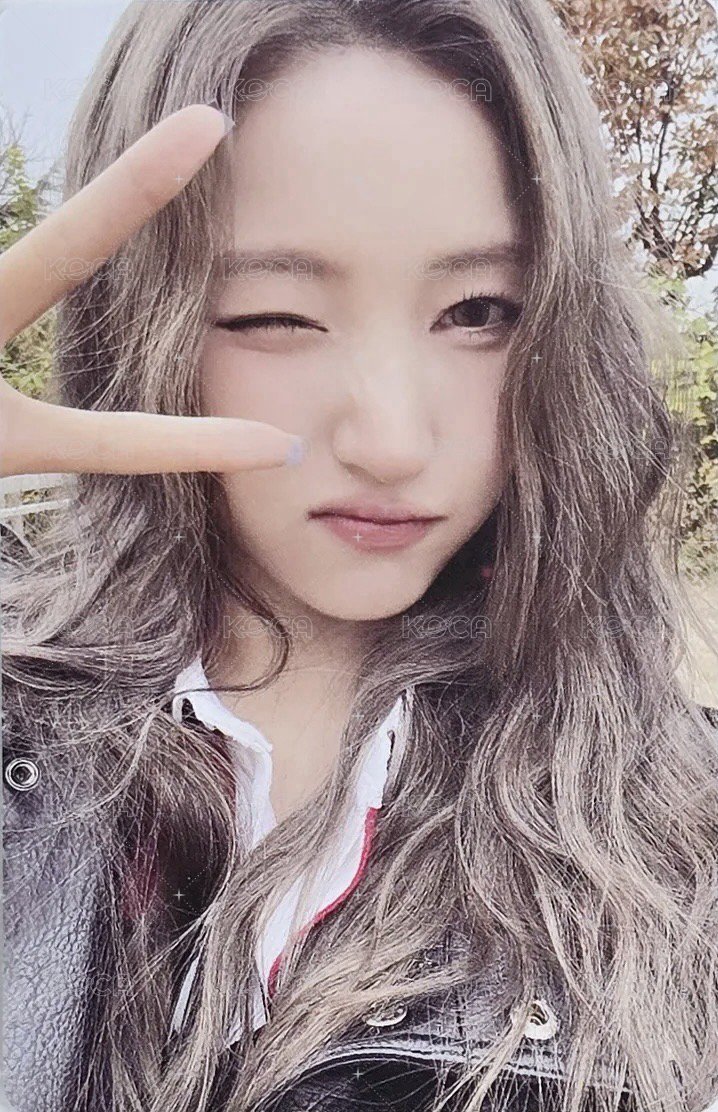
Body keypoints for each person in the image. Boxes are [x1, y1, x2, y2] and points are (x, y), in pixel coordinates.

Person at [2, 1, 717, 1110]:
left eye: (479, 310)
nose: (390, 442)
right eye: (274, 316)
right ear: (138, 323)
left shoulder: (680, 821)